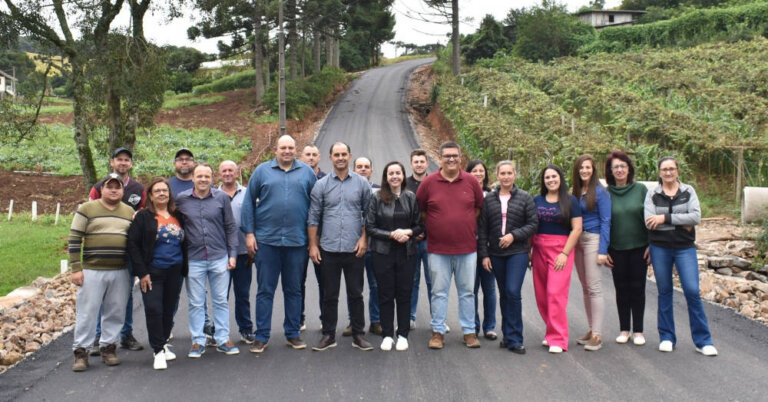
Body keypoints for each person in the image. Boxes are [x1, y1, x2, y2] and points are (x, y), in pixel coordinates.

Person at [241, 135, 317, 353]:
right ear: (275, 149)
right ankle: (262, 336)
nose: (287, 151)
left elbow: (316, 207)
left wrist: (314, 241)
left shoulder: (307, 173)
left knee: (294, 289)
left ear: (296, 150)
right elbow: (248, 203)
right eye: (283, 147)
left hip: (296, 241)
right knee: (265, 290)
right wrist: (249, 233)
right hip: (267, 241)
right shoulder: (262, 172)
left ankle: (292, 333)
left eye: (291, 148)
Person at [644, 157, 717, 356]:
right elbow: (649, 222)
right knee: (665, 291)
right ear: (659, 172)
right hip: (660, 248)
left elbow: (696, 217)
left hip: (685, 248)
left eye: (671, 169)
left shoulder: (688, 191)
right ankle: (667, 337)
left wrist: (665, 218)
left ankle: (703, 341)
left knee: (692, 291)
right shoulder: (652, 193)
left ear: (677, 171)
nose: (668, 173)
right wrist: (681, 222)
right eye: (664, 169)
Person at [416, 141, 485, 349]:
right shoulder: (428, 183)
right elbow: (421, 211)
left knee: (467, 292)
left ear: (460, 157)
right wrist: (438, 225)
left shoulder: (471, 182)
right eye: (447, 156)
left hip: (467, 249)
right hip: (438, 249)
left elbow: (477, 209)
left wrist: (461, 224)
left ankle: (469, 332)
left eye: (455, 155)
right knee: (439, 292)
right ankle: (437, 332)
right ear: (440, 157)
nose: (451, 159)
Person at [308, 142, 373, 352]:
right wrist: (313, 246)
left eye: (344, 154)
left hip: (355, 248)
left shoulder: (362, 184)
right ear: (331, 158)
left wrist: (364, 240)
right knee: (329, 294)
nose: (341, 158)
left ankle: (358, 334)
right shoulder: (321, 185)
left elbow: (369, 215)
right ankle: (328, 335)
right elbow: (313, 217)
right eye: (337, 154)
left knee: (356, 294)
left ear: (350, 155)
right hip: (328, 248)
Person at [69, 173, 135, 372]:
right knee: (87, 312)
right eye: (109, 186)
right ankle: (81, 352)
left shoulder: (129, 211)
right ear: (102, 189)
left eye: (118, 187)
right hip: (92, 270)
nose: (114, 190)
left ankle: (109, 348)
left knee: (115, 311)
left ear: (123, 191)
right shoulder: (87, 209)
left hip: (121, 270)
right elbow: (74, 239)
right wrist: (75, 269)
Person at [176, 163, 240, 358]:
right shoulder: (182, 200)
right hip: (194, 258)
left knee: (220, 300)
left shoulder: (221, 198)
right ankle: (198, 340)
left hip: (218, 256)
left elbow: (230, 227)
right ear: (193, 178)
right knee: (196, 302)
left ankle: (222, 339)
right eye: (199, 176)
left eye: (207, 176)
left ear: (212, 178)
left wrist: (233, 254)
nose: (203, 179)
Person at [88, 147, 145, 354]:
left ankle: (126, 334)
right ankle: (98, 336)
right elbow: (89, 216)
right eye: (119, 159)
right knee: (101, 295)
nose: (123, 163)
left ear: (130, 163)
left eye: (126, 160)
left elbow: (144, 219)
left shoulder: (139, 190)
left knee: (126, 294)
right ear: (112, 162)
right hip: (103, 251)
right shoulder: (98, 187)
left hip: (128, 252)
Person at [477, 161, 537, 354]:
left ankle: (516, 338)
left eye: (509, 173)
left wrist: (514, 235)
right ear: (497, 175)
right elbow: (482, 229)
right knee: (504, 294)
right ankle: (507, 335)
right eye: (502, 173)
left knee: (513, 292)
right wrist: (484, 255)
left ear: (515, 175)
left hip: (517, 252)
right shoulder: (489, 200)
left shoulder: (525, 198)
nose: (506, 176)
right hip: (495, 253)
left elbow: (533, 224)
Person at [127, 178, 186, 370]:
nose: (162, 194)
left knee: (169, 310)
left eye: (165, 190)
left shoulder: (178, 215)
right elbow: (133, 246)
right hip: (153, 271)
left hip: (175, 271)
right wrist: (141, 273)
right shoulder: (143, 217)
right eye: (157, 191)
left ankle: (163, 343)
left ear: (169, 194)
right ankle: (158, 351)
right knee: (154, 309)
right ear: (150, 196)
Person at [366, 161, 424, 351]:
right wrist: (390, 234)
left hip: (406, 252)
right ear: (386, 177)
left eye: (398, 173)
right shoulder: (376, 198)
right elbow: (370, 227)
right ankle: (387, 334)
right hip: (382, 252)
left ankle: (403, 335)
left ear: (402, 175)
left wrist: (406, 232)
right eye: (391, 173)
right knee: (385, 293)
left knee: (404, 293)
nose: (395, 177)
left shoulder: (410, 198)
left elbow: (419, 226)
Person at [532, 165, 583, 354]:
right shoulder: (537, 200)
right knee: (542, 294)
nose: (551, 180)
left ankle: (559, 339)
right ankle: (551, 331)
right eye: (547, 177)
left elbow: (577, 229)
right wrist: (530, 249)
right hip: (538, 248)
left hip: (561, 250)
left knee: (555, 293)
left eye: (554, 176)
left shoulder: (570, 201)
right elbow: (532, 225)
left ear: (560, 178)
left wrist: (564, 253)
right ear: (543, 181)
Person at [604, 151, 649, 346]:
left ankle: (638, 330)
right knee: (621, 289)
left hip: (640, 247)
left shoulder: (641, 189)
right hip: (616, 248)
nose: (620, 170)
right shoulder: (606, 194)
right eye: (616, 167)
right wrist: (603, 250)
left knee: (638, 288)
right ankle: (624, 329)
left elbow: (651, 217)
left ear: (629, 168)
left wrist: (652, 245)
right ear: (611, 171)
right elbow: (602, 222)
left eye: (623, 166)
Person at [571, 155, 611, 351]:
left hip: (593, 239)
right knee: (585, 287)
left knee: (594, 287)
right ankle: (590, 328)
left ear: (593, 170)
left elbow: (606, 221)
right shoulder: (577, 192)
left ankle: (598, 335)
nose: (584, 171)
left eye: (588, 167)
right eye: (581, 168)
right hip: (578, 241)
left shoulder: (600, 192)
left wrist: (603, 250)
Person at [218, 160, 255, 344]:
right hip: (220, 253)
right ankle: (220, 332)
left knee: (242, 294)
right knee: (220, 296)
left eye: (230, 170)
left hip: (243, 252)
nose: (227, 173)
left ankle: (246, 329)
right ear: (219, 174)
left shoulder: (248, 193)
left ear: (237, 172)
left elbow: (255, 218)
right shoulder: (213, 194)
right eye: (224, 171)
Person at [349, 156, 382, 336]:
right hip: (352, 246)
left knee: (376, 286)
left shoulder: (380, 191)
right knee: (354, 287)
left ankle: (375, 321)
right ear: (353, 169)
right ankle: (352, 321)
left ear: (371, 170)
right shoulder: (346, 188)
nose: (363, 169)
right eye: (359, 166)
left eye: (366, 167)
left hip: (375, 247)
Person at [467, 159, 497, 341]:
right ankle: (474, 326)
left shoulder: (492, 195)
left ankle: (490, 326)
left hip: (488, 248)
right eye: (474, 170)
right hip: (468, 247)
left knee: (489, 288)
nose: (478, 173)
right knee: (471, 289)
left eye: (481, 170)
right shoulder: (463, 193)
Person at [405, 149, 434, 330]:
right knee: (412, 280)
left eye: (422, 161)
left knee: (434, 282)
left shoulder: (435, 182)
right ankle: (410, 316)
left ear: (427, 163)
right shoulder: (405, 184)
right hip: (411, 241)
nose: (419, 164)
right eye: (416, 161)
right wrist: (413, 233)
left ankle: (437, 319)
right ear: (411, 164)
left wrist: (426, 231)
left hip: (432, 241)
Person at [299, 144, 327, 331]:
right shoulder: (296, 177)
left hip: (323, 238)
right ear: (302, 157)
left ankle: (326, 318)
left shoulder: (327, 180)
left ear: (319, 157)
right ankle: (298, 318)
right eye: (307, 155)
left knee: (324, 281)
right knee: (297, 281)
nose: (310, 158)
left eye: (314, 155)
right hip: (299, 237)